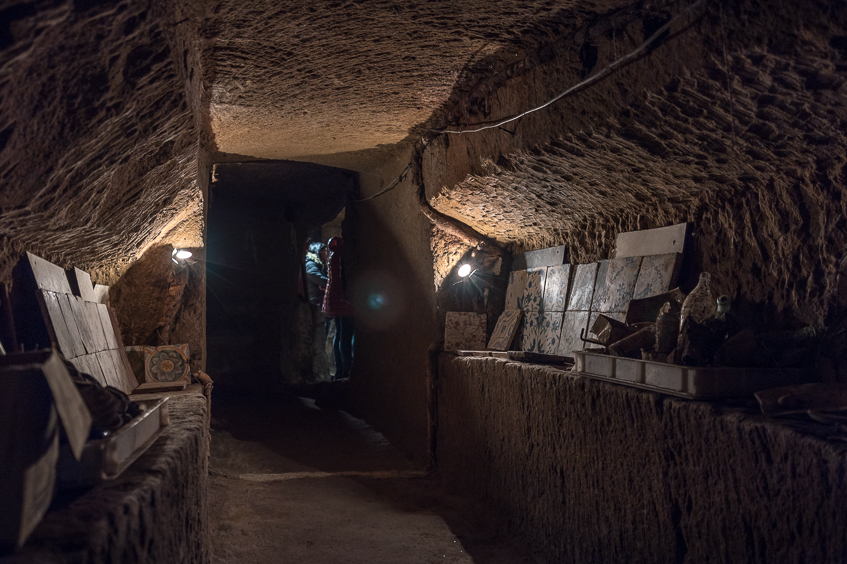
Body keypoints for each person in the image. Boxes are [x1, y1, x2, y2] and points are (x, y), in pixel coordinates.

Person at [322, 237, 354, 380]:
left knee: (339, 334)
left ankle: (340, 369)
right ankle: (347, 369)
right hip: (342, 300)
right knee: (346, 336)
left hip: (334, 300)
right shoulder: (341, 255)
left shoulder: (332, 256)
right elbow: (343, 277)